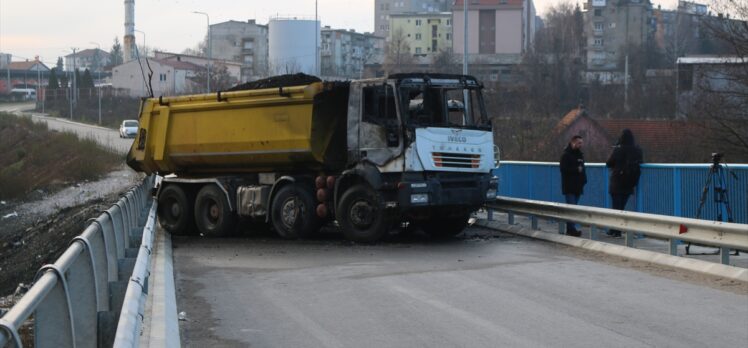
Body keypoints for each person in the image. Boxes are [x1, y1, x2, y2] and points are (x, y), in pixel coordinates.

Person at [606, 129, 643, 237]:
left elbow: (609, 163)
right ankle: (616, 229)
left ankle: (615, 230)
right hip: (629, 183)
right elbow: (640, 162)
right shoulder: (637, 150)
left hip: (617, 182)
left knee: (616, 208)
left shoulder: (618, 150)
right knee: (622, 207)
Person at [560, 135, 587, 237]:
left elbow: (583, 169)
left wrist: (584, 180)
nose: (581, 145)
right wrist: (576, 170)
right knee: (571, 208)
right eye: (579, 143)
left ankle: (571, 229)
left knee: (574, 208)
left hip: (578, 186)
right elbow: (563, 170)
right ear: (573, 143)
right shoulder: (566, 155)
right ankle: (571, 229)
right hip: (569, 186)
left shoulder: (580, 155)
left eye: (581, 143)